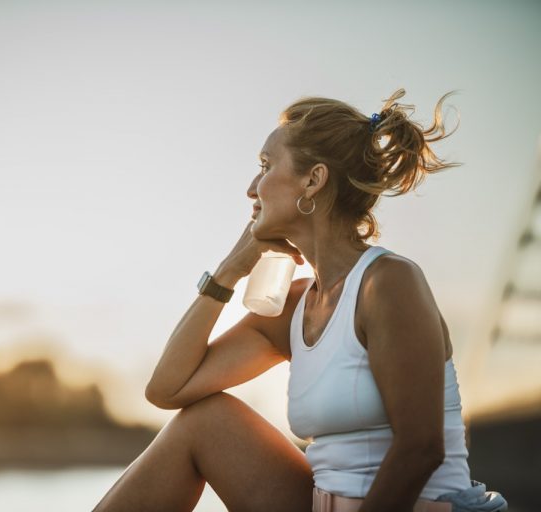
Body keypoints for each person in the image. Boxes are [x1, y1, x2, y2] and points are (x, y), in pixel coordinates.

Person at [92, 89, 507, 512]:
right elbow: (167, 390)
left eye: (266, 166)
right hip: (318, 504)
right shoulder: (291, 308)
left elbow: (420, 450)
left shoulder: (387, 283)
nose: (252, 188)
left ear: (313, 180)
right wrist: (229, 270)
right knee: (204, 421)